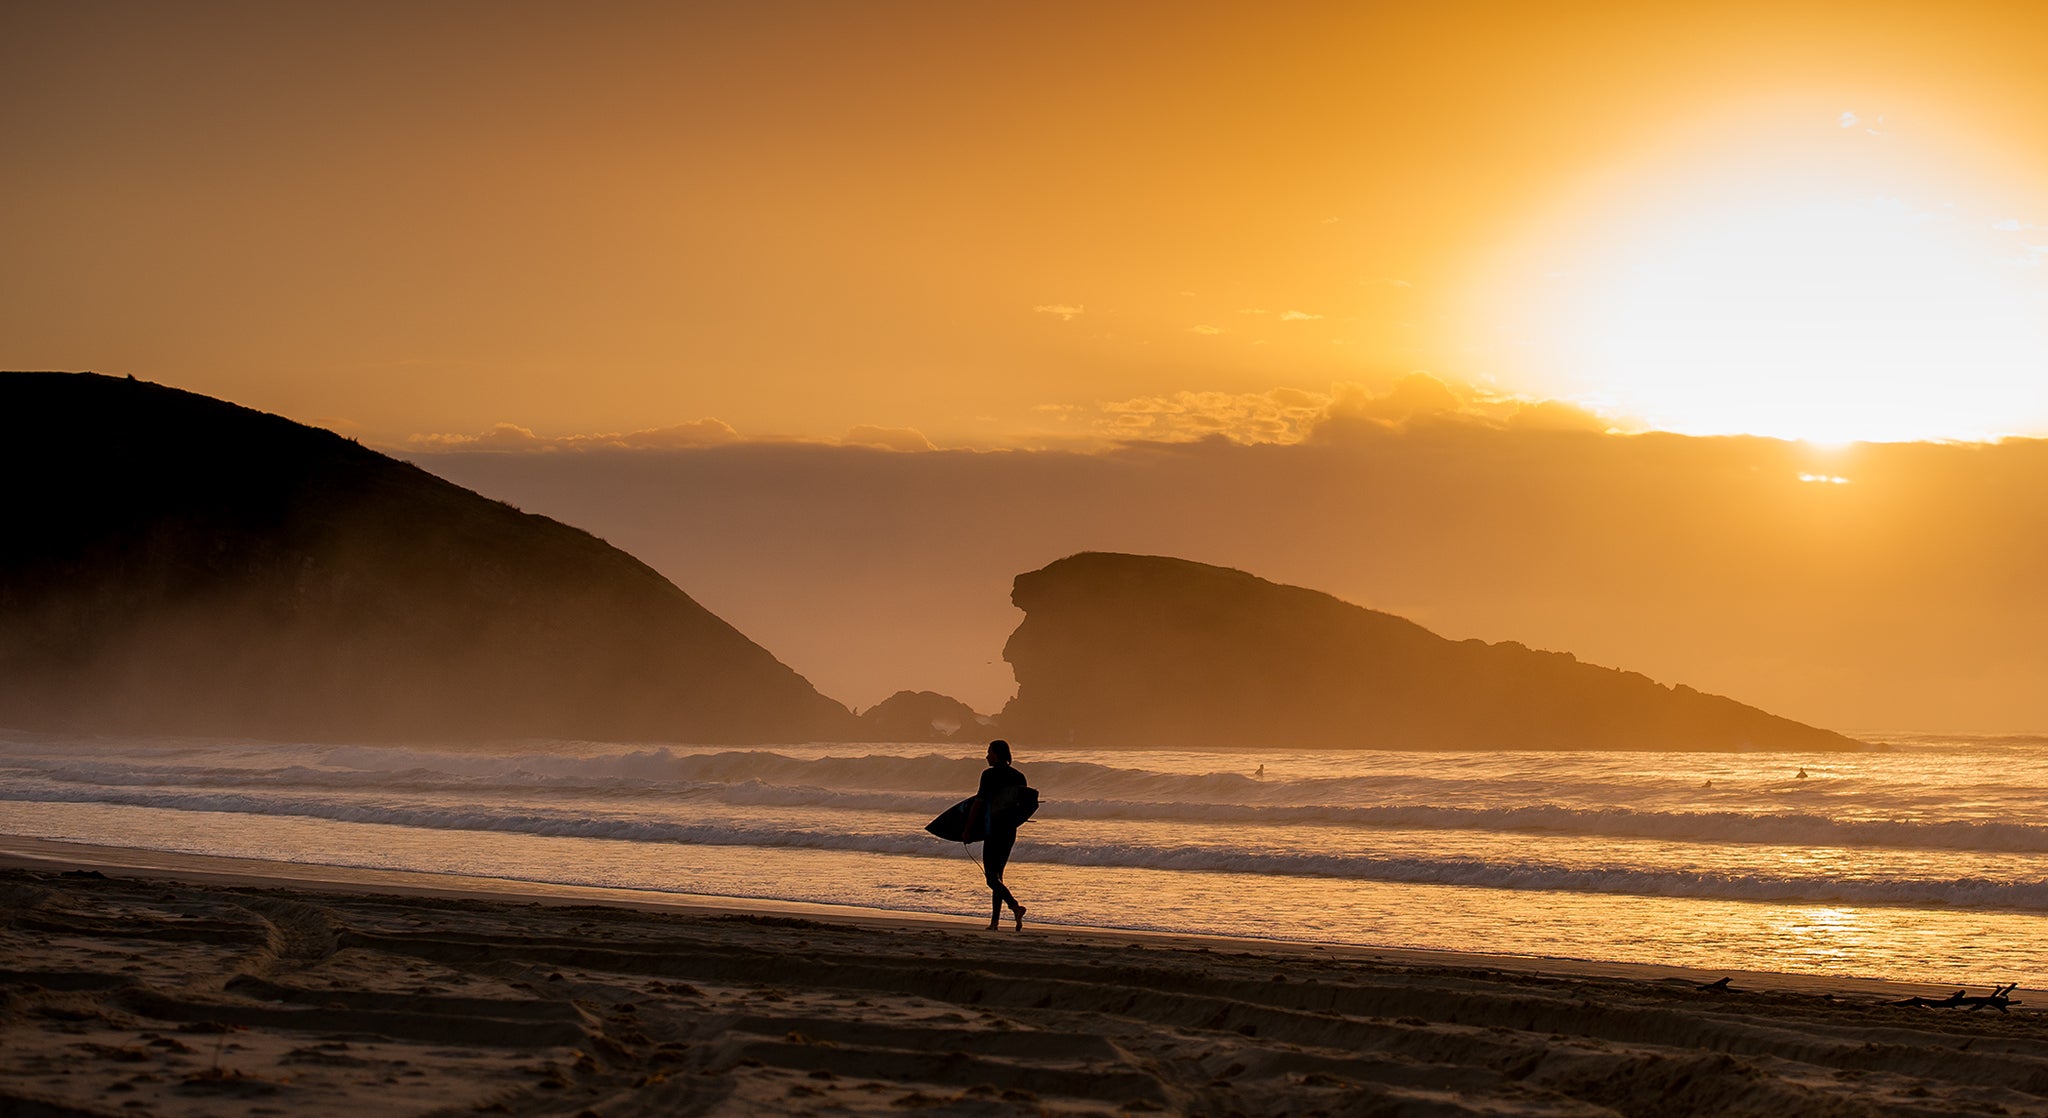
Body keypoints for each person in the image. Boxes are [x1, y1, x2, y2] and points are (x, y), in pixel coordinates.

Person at [973, 739, 1028, 931]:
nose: (987, 756)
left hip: (993, 830)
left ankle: (1015, 907)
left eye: (989, 752)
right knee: (998, 876)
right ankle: (994, 922)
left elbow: (979, 802)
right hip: (1009, 831)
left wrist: (968, 828)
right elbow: (1024, 807)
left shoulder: (988, 775)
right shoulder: (1019, 776)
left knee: (991, 878)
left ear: (998, 754)